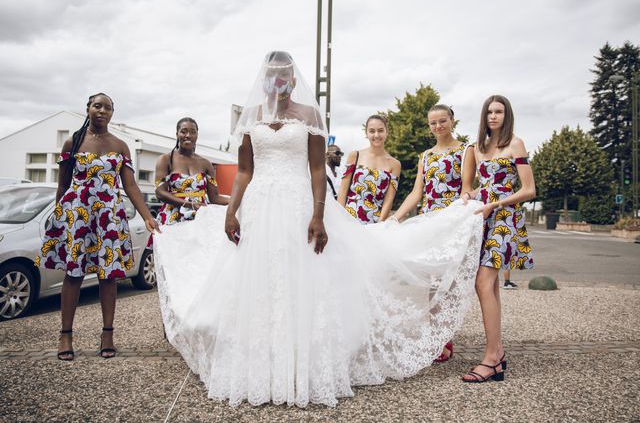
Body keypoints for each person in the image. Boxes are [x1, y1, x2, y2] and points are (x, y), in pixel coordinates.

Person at [153, 51, 484, 408]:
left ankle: (304, 364)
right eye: (271, 76)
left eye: (284, 76)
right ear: (263, 80)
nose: (277, 82)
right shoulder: (251, 120)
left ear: (293, 81)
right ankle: (261, 365)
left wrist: (318, 214)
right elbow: (245, 171)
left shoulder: (309, 115)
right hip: (260, 208)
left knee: (303, 277)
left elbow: (315, 169)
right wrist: (232, 211)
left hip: (298, 205)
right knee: (261, 281)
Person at [35, 93, 158, 361]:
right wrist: (59, 219)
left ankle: (108, 334)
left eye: (108, 107)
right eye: (97, 105)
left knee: (109, 275)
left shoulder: (121, 145)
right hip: (77, 217)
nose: (102, 111)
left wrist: (147, 215)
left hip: (109, 218)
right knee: (74, 274)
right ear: (88, 109)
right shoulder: (74, 142)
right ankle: (65, 335)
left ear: (113, 113)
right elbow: (63, 185)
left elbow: (131, 186)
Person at [461, 94, 536, 383]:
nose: (494, 116)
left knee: (483, 282)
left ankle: (491, 358)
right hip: (484, 218)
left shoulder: (515, 144)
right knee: (489, 286)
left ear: (507, 116)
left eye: (499, 112)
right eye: (490, 112)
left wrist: (497, 203)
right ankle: (498, 352)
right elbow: (475, 186)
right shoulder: (478, 148)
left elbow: (529, 189)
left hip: (505, 219)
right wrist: (469, 197)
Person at [393, 103, 472, 363]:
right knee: (431, 280)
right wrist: (396, 217)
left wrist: (457, 213)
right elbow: (417, 192)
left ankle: (445, 334)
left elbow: (467, 187)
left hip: (452, 221)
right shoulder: (425, 156)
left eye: (442, 121)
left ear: (452, 120)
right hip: (429, 221)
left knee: (449, 280)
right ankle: (437, 335)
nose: (438, 126)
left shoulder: (465, 150)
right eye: (433, 123)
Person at [146, 117, 229, 250]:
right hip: (173, 219)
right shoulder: (166, 159)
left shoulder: (206, 163)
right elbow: (160, 192)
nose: (188, 135)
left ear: (197, 135)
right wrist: (190, 204)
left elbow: (215, 198)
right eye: (184, 131)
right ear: (177, 134)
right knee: (173, 264)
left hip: (200, 220)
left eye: (192, 132)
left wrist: (238, 200)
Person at [337, 115, 401, 224]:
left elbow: (389, 200)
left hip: (375, 224)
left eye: (380, 130)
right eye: (372, 131)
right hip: (348, 220)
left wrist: (380, 225)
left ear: (387, 132)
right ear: (366, 133)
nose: (376, 135)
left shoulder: (395, 164)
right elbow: (342, 191)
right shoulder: (354, 155)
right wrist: (340, 220)